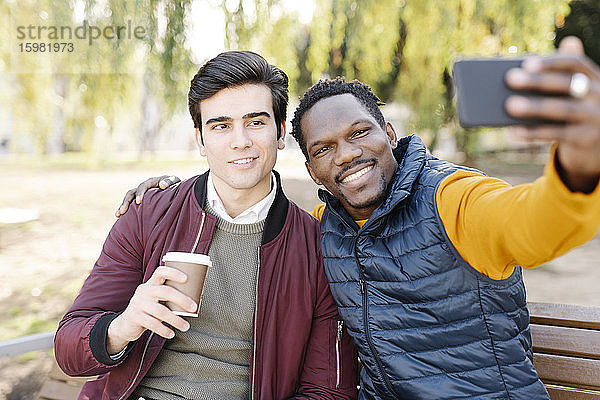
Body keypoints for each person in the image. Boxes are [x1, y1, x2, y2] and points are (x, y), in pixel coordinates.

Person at [123, 37, 600, 399]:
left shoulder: (452, 198)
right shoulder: (321, 227)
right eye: (324, 149)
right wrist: (174, 192)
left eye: (359, 133)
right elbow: (236, 189)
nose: (347, 156)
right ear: (311, 169)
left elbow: (535, 224)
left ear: (388, 132)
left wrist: (580, 162)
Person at [55, 50, 358, 400]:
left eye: (256, 122)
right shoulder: (149, 213)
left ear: (280, 132)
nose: (240, 140)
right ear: (200, 139)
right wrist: (122, 326)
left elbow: (328, 391)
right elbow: (68, 348)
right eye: (221, 125)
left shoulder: (315, 247)